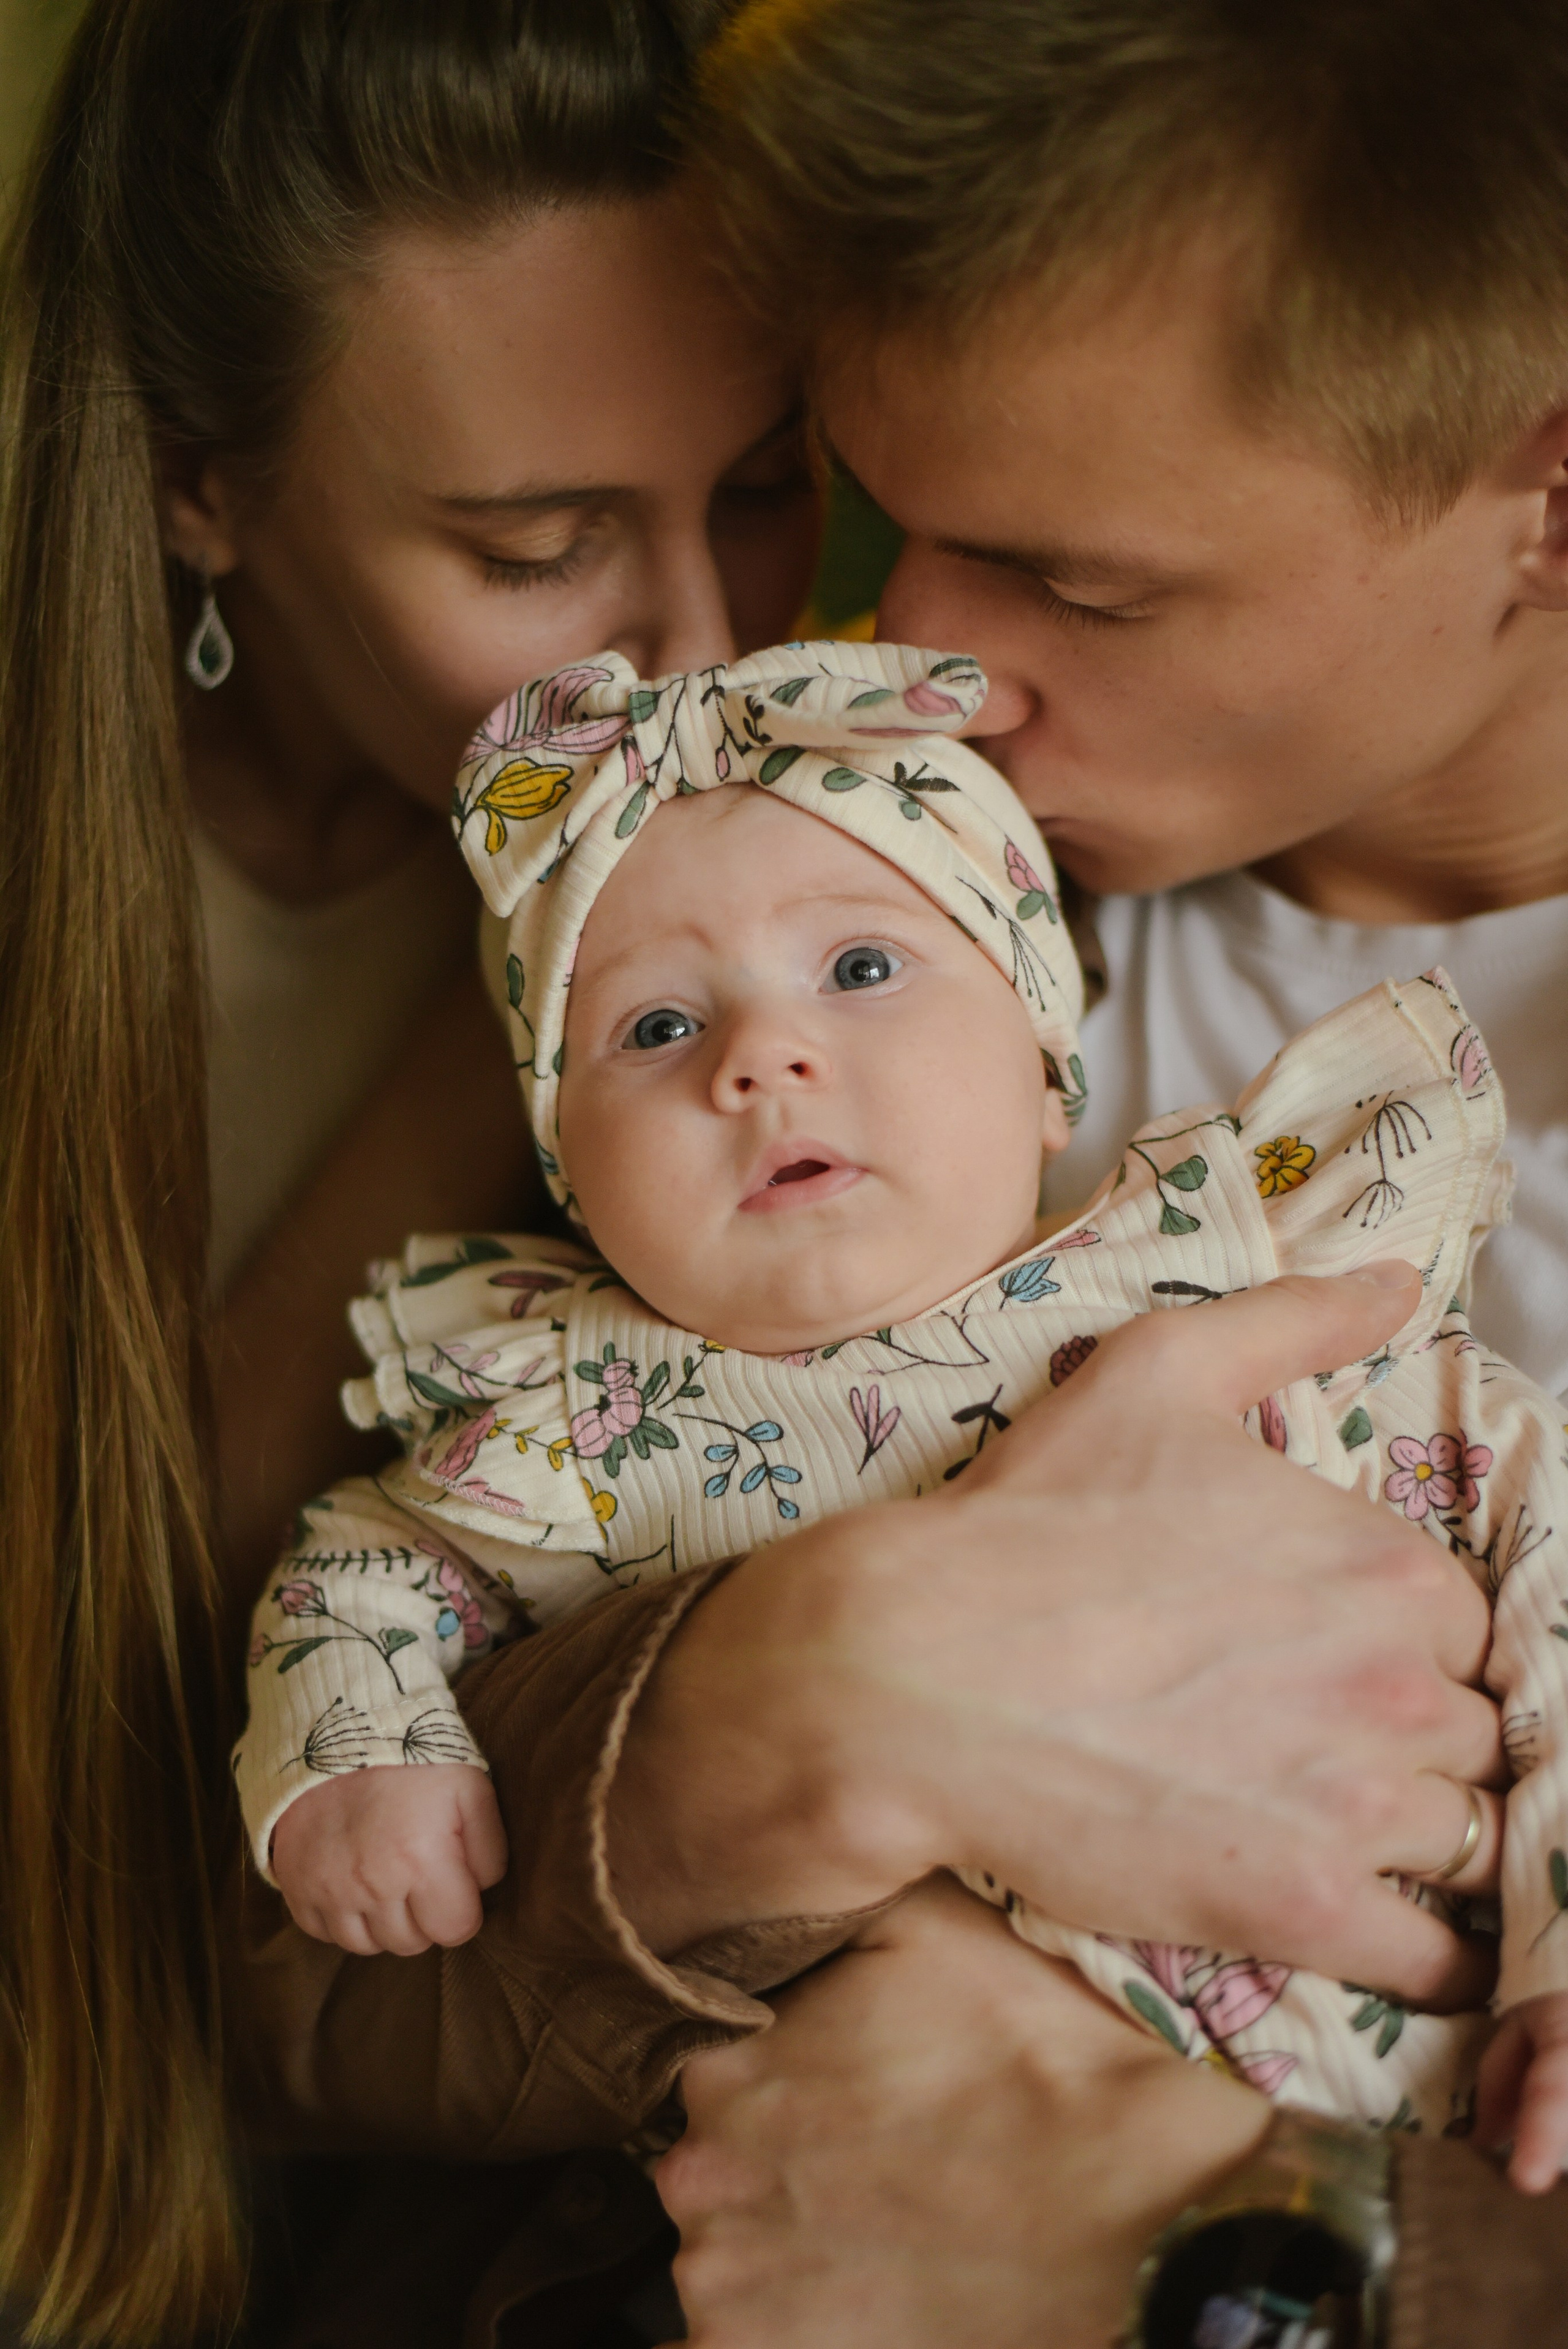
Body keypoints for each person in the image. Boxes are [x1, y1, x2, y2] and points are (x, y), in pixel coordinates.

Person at [636, 0, 1568, 2337]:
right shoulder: (795, 903)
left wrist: (1185, 2230)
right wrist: (770, 1712)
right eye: (885, 517)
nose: (917, 656)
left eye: (1082, 584)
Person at [235, 635, 1567, 2174]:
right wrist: (362, 1747)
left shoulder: (1232, 1294)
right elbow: (372, 1560)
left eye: (860, 969)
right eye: (655, 1027)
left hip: (1423, 2122)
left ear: (1045, 1063)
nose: (761, 1059)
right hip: (890, 2184)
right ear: (571, 1180)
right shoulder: (590, 1424)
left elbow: (1542, 1539)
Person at [0, 0, 819, 2337]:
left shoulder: (854, 853)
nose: (712, 659)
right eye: (545, 546)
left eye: (769, 479)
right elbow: (115, 1695)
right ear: (200, 478)